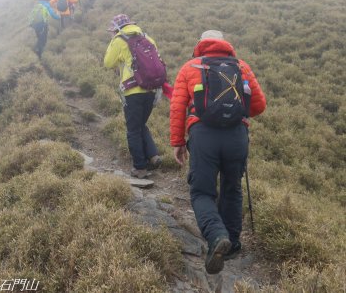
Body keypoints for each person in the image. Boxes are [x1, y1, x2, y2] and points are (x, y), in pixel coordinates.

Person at [170, 30, 266, 275]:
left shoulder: (190, 67)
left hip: (203, 136)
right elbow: (259, 106)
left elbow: (178, 107)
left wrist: (178, 141)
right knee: (232, 187)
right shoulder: (241, 66)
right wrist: (233, 115)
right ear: (225, 44)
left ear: (200, 45)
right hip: (236, 136)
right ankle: (231, 244)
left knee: (202, 191)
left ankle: (216, 235)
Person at [103, 14, 163, 179]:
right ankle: (153, 155)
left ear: (116, 28)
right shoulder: (146, 37)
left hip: (133, 91)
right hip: (151, 89)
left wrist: (112, 40)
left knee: (133, 130)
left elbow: (108, 63)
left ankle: (140, 167)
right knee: (141, 124)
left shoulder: (119, 40)